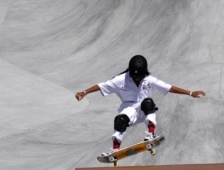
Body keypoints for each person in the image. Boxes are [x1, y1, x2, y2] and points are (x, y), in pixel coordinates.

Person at [75, 55, 206, 159]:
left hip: (145, 110)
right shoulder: (120, 79)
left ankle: (150, 134)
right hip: (128, 110)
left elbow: (169, 87)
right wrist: (85, 92)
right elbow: (101, 85)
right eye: (135, 77)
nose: (137, 79)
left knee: (148, 102)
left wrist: (190, 93)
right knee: (120, 120)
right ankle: (115, 150)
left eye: (140, 77)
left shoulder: (149, 79)